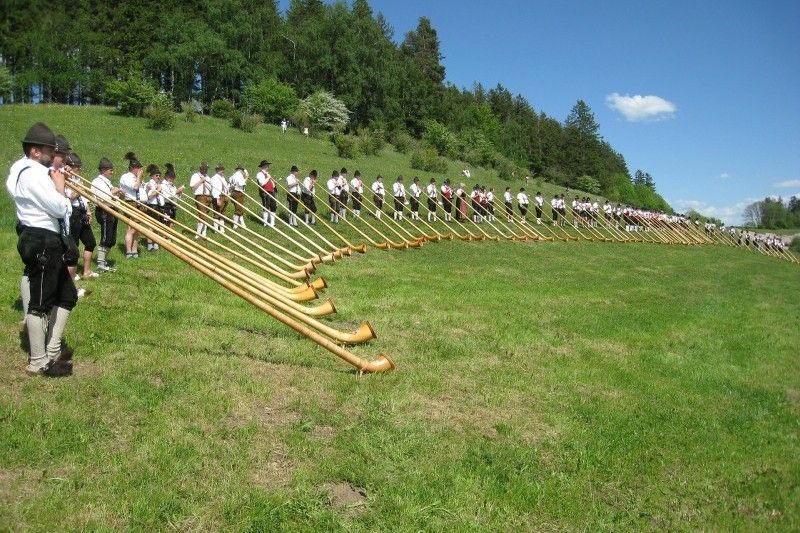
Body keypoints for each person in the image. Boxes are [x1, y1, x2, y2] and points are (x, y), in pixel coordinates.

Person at [6, 122, 76, 376]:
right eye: (49, 149)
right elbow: (60, 208)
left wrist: (59, 186)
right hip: (41, 239)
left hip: (50, 239)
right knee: (40, 302)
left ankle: (53, 349)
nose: (52, 154)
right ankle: (38, 360)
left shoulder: (36, 171)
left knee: (68, 296)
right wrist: (60, 188)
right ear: (35, 151)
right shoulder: (32, 173)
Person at [63, 153, 98, 281]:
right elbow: (67, 198)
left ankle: (87, 271)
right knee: (74, 245)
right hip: (72, 212)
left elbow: (83, 197)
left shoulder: (78, 180)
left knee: (90, 242)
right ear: (69, 166)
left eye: (79, 167)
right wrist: (77, 191)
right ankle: (71, 273)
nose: (79, 169)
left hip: (82, 212)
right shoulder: (64, 180)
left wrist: (88, 211)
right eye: (76, 167)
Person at [90, 157, 122, 270]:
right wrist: (113, 192)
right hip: (104, 211)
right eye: (110, 170)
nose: (112, 172)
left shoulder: (107, 182)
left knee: (112, 239)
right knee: (106, 237)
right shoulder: (97, 182)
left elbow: (112, 196)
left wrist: (118, 195)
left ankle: (103, 260)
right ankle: (100, 263)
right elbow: (102, 197)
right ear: (103, 170)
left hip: (112, 210)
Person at [119, 152, 143, 257]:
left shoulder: (135, 177)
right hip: (131, 203)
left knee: (137, 229)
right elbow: (135, 187)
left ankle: (134, 250)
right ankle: (129, 251)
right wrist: (139, 177)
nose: (140, 171)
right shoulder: (126, 177)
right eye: (139, 168)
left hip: (138, 203)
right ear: (134, 168)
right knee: (131, 228)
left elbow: (140, 189)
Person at [143, 163, 164, 250]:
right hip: (152, 206)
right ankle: (150, 244)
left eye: (159, 175)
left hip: (158, 205)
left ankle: (156, 242)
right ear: (152, 176)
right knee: (151, 225)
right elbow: (149, 196)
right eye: (156, 175)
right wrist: (158, 190)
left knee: (157, 225)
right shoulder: (148, 184)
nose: (158, 177)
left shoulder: (157, 184)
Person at [190, 162, 212, 237]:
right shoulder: (195, 176)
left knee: (206, 215)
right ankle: (198, 233)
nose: (205, 170)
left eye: (206, 169)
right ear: (200, 169)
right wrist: (201, 181)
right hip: (200, 197)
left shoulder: (208, 177)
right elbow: (192, 188)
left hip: (208, 197)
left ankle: (203, 232)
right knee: (202, 214)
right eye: (204, 168)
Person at [160, 163, 184, 229]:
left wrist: (179, 194)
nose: (171, 179)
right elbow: (166, 196)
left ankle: (169, 238)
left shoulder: (173, 186)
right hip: (166, 206)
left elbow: (176, 197)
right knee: (165, 223)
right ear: (166, 176)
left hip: (172, 206)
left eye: (173, 177)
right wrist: (176, 192)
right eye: (170, 177)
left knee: (171, 224)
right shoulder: (163, 185)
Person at [255, 160, 276, 227]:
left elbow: (272, 184)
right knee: (266, 207)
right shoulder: (259, 174)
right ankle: (265, 223)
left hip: (271, 192)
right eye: (267, 166)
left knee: (273, 206)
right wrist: (268, 177)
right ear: (263, 166)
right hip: (265, 192)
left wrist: (274, 184)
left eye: (268, 166)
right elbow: (262, 183)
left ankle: (272, 223)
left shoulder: (267, 174)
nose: (268, 167)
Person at [210, 163, 229, 233]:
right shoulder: (214, 178)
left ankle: (222, 229)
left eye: (223, 169)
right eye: (220, 170)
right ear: (217, 170)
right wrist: (217, 199)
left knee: (222, 213)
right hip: (218, 197)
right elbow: (215, 189)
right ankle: (216, 229)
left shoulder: (223, 178)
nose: (222, 171)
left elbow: (225, 187)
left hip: (224, 196)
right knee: (217, 213)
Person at [228, 163, 248, 229]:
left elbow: (230, 182)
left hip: (233, 193)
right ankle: (235, 225)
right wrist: (246, 178)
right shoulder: (239, 175)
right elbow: (241, 183)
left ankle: (242, 224)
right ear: (241, 170)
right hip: (238, 193)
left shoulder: (233, 175)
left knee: (239, 208)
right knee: (238, 209)